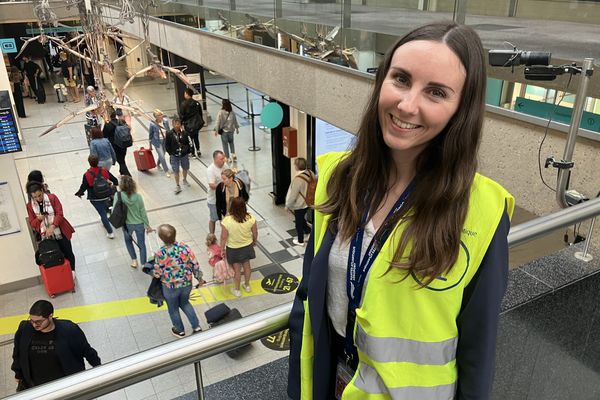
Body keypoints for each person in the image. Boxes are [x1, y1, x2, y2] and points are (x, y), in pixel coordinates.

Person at [287, 22, 515, 400]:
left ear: (462, 108)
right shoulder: (337, 177)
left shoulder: (483, 211)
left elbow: (478, 354)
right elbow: (309, 300)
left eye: (436, 92)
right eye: (401, 79)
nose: (408, 105)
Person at [11, 300, 101, 391]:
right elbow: (18, 352)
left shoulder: (69, 330)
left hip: (66, 384)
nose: (34, 325)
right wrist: (18, 373)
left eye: (38, 322)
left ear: (50, 316)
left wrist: (98, 369)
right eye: (31, 321)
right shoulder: (25, 328)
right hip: (37, 386)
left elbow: (86, 350)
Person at [152, 224, 204, 337]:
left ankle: (179, 330)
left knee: (173, 308)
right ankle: (196, 326)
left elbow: (157, 273)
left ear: (161, 238)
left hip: (170, 287)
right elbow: (195, 264)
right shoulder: (184, 247)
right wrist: (200, 278)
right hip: (186, 283)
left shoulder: (160, 253)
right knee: (185, 303)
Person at [26, 182, 76, 272]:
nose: (38, 198)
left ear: (42, 190)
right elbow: (32, 223)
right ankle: (62, 273)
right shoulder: (30, 206)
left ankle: (72, 270)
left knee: (68, 252)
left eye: (39, 195)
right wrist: (39, 219)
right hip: (46, 236)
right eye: (35, 197)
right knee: (54, 255)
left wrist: (53, 226)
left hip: (60, 231)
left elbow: (59, 213)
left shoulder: (52, 198)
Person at [219, 197, 257, 297]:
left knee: (237, 270)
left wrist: (222, 249)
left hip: (233, 248)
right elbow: (255, 232)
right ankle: (247, 285)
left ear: (232, 208)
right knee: (247, 266)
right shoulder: (250, 218)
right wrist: (254, 241)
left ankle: (237, 290)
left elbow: (223, 237)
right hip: (247, 246)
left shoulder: (227, 221)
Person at [75, 154, 118, 239]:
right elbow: (115, 180)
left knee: (102, 214)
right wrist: (113, 185)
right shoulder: (104, 171)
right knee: (104, 208)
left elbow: (83, 186)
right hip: (106, 194)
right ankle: (107, 212)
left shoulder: (87, 174)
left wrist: (79, 193)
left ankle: (110, 232)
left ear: (89, 163)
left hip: (94, 197)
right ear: (98, 162)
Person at [115, 175, 154, 268]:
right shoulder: (138, 197)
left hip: (126, 224)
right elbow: (143, 212)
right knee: (141, 244)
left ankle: (134, 260)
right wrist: (147, 225)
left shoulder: (119, 195)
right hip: (139, 224)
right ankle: (144, 263)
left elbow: (114, 210)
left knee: (128, 241)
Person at [285, 157, 314, 246]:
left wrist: (287, 205)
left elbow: (293, 195)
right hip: (309, 201)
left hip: (300, 204)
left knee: (298, 223)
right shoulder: (310, 173)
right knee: (302, 220)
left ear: (297, 166)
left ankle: (300, 241)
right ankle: (309, 232)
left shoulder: (298, 180)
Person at [164, 117, 192, 194]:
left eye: (178, 123)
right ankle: (177, 185)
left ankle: (185, 179)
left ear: (180, 124)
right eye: (175, 123)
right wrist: (171, 153)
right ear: (172, 124)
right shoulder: (169, 133)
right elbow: (167, 145)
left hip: (184, 155)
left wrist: (186, 150)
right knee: (176, 170)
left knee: (185, 168)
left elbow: (188, 143)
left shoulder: (184, 133)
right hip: (174, 155)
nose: (177, 125)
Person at [206, 150, 229, 234]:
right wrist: (223, 184)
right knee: (213, 218)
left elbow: (229, 175)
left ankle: (225, 234)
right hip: (214, 200)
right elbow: (212, 185)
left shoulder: (225, 165)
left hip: (224, 198)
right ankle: (211, 235)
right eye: (221, 159)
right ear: (215, 159)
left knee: (224, 218)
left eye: (224, 158)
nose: (224, 160)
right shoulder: (210, 170)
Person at [103, 110, 131, 177]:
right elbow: (128, 128)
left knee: (121, 161)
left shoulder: (108, 125)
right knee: (122, 159)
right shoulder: (121, 121)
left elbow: (104, 135)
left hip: (115, 145)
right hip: (124, 143)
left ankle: (128, 176)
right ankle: (122, 172)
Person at [179, 88, 203, 158]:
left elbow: (182, 115)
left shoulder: (184, 104)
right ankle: (198, 150)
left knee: (190, 138)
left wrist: (181, 123)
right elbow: (200, 113)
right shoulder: (197, 103)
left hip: (188, 124)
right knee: (196, 137)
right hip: (196, 124)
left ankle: (192, 153)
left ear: (186, 94)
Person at [213, 99, 239, 163]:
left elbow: (217, 122)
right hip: (231, 131)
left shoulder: (221, 112)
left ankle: (228, 158)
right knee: (231, 142)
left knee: (225, 144)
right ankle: (233, 154)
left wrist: (216, 130)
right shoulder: (232, 112)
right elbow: (235, 121)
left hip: (224, 132)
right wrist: (237, 128)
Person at [149, 109, 171, 177]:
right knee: (162, 156)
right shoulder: (152, 124)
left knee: (163, 154)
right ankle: (166, 170)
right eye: (158, 115)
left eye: (161, 114)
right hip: (157, 142)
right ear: (155, 116)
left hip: (165, 140)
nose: (161, 116)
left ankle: (158, 164)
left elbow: (168, 131)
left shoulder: (165, 121)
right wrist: (150, 145)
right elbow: (150, 134)